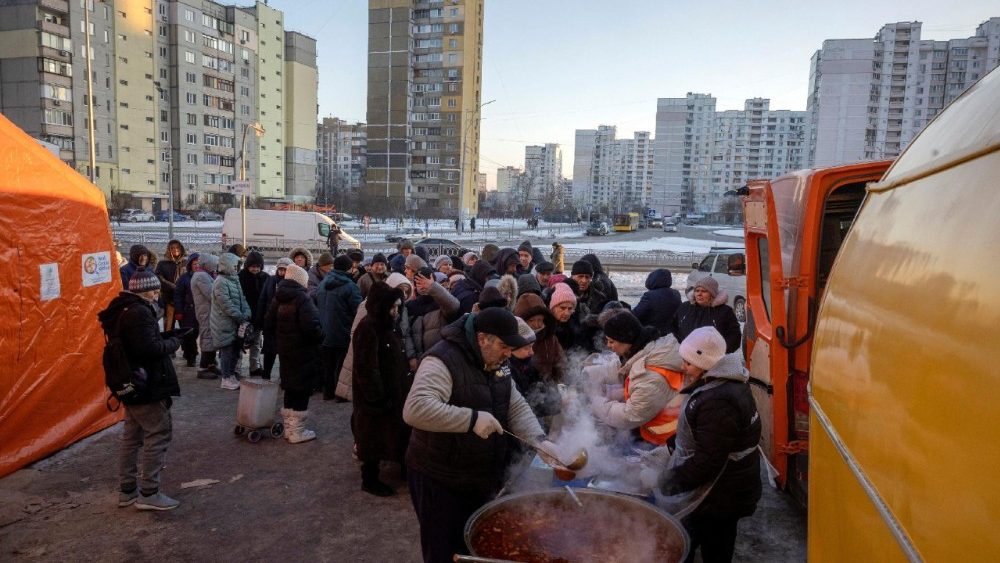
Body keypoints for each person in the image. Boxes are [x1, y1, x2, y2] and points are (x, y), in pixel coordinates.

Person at [403, 308, 555, 562]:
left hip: (477, 474)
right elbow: (415, 409)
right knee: (444, 551)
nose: (509, 354)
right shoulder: (442, 360)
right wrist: (471, 419)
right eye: (504, 346)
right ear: (483, 338)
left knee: (474, 544)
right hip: (439, 477)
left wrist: (540, 441)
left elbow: (515, 404)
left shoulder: (499, 361)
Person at [657, 327, 761, 563]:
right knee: (702, 538)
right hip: (724, 490)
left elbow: (708, 460)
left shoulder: (720, 400)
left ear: (707, 363)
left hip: (722, 494)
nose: (683, 367)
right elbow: (705, 435)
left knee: (712, 546)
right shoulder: (722, 381)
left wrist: (666, 482)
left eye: (689, 363)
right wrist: (668, 448)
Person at [97, 270, 182, 511]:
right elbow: (149, 349)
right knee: (158, 432)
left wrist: (165, 335)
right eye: (154, 290)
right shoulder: (140, 312)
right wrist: (175, 341)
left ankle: (127, 490)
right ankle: (149, 492)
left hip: (130, 383)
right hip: (147, 384)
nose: (157, 295)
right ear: (143, 291)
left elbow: (138, 343)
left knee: (132, 437)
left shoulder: (121, 309)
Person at [588, 311, 685, 446]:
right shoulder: (645, 349)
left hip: (663, 440)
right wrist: (586, 375)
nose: (608, 345)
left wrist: (597, 402)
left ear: (626, 341)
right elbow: (621, 367)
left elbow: (629, 416)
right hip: (647, 425)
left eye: (611, 341)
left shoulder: (651, 377)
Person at [352, 281, 411, 496]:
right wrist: (376, 398)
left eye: (398, 307)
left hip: (393, 393)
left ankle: (401, 468)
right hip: (376, 398)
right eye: (392, 307)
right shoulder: (368, 328)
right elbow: (366, 367)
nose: (396, 311)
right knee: (373, 438)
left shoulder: (387, 325)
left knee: (392, 433)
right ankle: (369, 479)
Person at [264, 263, 324, 443]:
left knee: (289, 387)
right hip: (303, 353)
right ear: (301, 280)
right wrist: (321, 335)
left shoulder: (278, 297)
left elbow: (268, 323)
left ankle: (289, 429)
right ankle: (297, 431)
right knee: (302, 390)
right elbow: (312, 327)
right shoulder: (302, 299)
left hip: (285, 351)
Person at [337, 273, 414, 401]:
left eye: (407, 291)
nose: (404, 294)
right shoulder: (369, 320)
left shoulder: (397, 314)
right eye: (401, 290)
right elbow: (367, 367)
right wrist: (375, 395)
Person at [513, 294, 566, 425]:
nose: (537, 325)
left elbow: (560, 363)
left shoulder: (550, 338)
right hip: (528, 403)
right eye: (532, 320)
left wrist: (560, 388)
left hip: (546, 392)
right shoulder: (514, 349)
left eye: (540, 320)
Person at [316, 254, 362, 401]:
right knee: (342, 365)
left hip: (324, 330)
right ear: (348, 269)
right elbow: (358, 309)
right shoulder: (350, 286)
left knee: (328, 365)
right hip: (343, 330)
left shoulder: (323, 283)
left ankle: (327, 392)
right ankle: (340, 394)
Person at [669, 275, 742, 353]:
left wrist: (720, 352)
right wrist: (680, 345)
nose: (699, 294)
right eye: (697, 291)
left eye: (704, 291)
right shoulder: (685, 307)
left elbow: (734, 336)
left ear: (712, 294)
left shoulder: (725, 311)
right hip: (685, 354)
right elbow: (673, 327)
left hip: (713, 358)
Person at [211, 252, 251, 390]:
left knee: (234, 349)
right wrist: (240, 316)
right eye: (234, 265)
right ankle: (226, 378)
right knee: (227, 350)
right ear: (227, 266)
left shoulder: (234, 279)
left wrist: (247, 312)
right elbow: (226, 304)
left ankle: (231, 375)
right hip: (224, 322)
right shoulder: (220, 281)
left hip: (234, 321)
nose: (236, 268)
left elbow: (242, 298)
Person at [408, 268, 462, 358]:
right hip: (418, 359)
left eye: (425, 282)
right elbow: (407, 334)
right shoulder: (410, 306)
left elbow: (454, 306)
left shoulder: (441, 303)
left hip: (440, 356)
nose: (423, 286)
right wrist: (411, 357)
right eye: (419, 283)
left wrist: (432, 287)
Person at [255, 257, 292, 380]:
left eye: (285, 269)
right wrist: (260, 318)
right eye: (280, 269)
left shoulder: (292, 283)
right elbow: (263, 299)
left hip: (285, 323)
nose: (282, 272)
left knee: (285, 353)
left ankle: (284, 378)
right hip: (270, 322)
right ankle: (266, 374)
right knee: (269, 351)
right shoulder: (271, 280)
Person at [238, 251, 269, 377]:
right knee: (240, 343)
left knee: (256, 343)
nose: (255, 269)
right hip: (245, 316)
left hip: (260, 316)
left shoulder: (265, 278)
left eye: (257, 266)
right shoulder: (241, 277)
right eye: (252, 266)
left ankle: (254, 367)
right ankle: (237, 368)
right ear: (247, 266)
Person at [191, 254, 220, 379]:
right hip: (205, 311)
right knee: (207, 336)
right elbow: (211, 294)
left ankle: (210, 364)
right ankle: (203, 367)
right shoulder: (201, 276)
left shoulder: (204, 274)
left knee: (210, 336)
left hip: (207, 310)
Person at [633, 268, 682, 337]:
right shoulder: (676, 293)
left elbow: (636, 314)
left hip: (652, 334)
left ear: (652, 280)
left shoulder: (650, 295)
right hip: (671, 334)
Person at [172, 253, 200, 367]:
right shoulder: (184, 279)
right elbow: (178, 295)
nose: (197, 266)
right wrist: (178, 311)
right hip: (188, 311)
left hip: (200, 310)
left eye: (198, 263)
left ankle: (190, 351)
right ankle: (191, 357)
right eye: (194, 264)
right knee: (190, 334)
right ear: (190, 265)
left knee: (197, 333)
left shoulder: (206, 276)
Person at [154, 239, 186, 330]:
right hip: (169, 300)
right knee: (168, 327)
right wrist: (172, 286)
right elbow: (159, 278)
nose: (175, 249)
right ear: (169, 250)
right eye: (172, 248)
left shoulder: (186, 262)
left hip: (183, 300)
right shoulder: (162, 264)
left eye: (177, 247)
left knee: (185, 327)